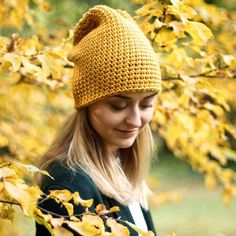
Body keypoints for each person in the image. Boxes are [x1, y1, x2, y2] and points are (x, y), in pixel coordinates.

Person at [36, 4, 161, 236]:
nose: (135, 120)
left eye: (146, 104)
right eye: (118, 105)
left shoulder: (121, 165)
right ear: (87, 103)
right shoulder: (70, 187)